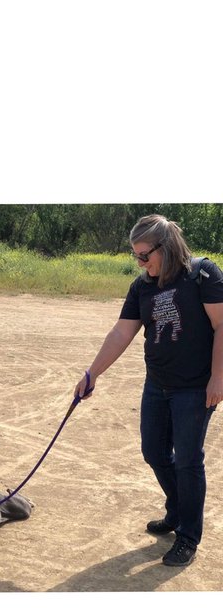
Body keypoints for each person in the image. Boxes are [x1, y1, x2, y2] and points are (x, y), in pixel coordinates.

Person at [74, 215, 223, 567]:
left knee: (187, 459)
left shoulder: (202, 275)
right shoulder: (142, 287)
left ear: (165, 247)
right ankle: (177, 509)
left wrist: (218, 377)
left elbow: (221, 325)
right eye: (135, 257)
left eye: (144, 255)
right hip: (157, 383)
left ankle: (188, 534)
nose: (140, 263)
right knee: (153, 451)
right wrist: (92, 374)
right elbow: (121, 333)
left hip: (194, 388)